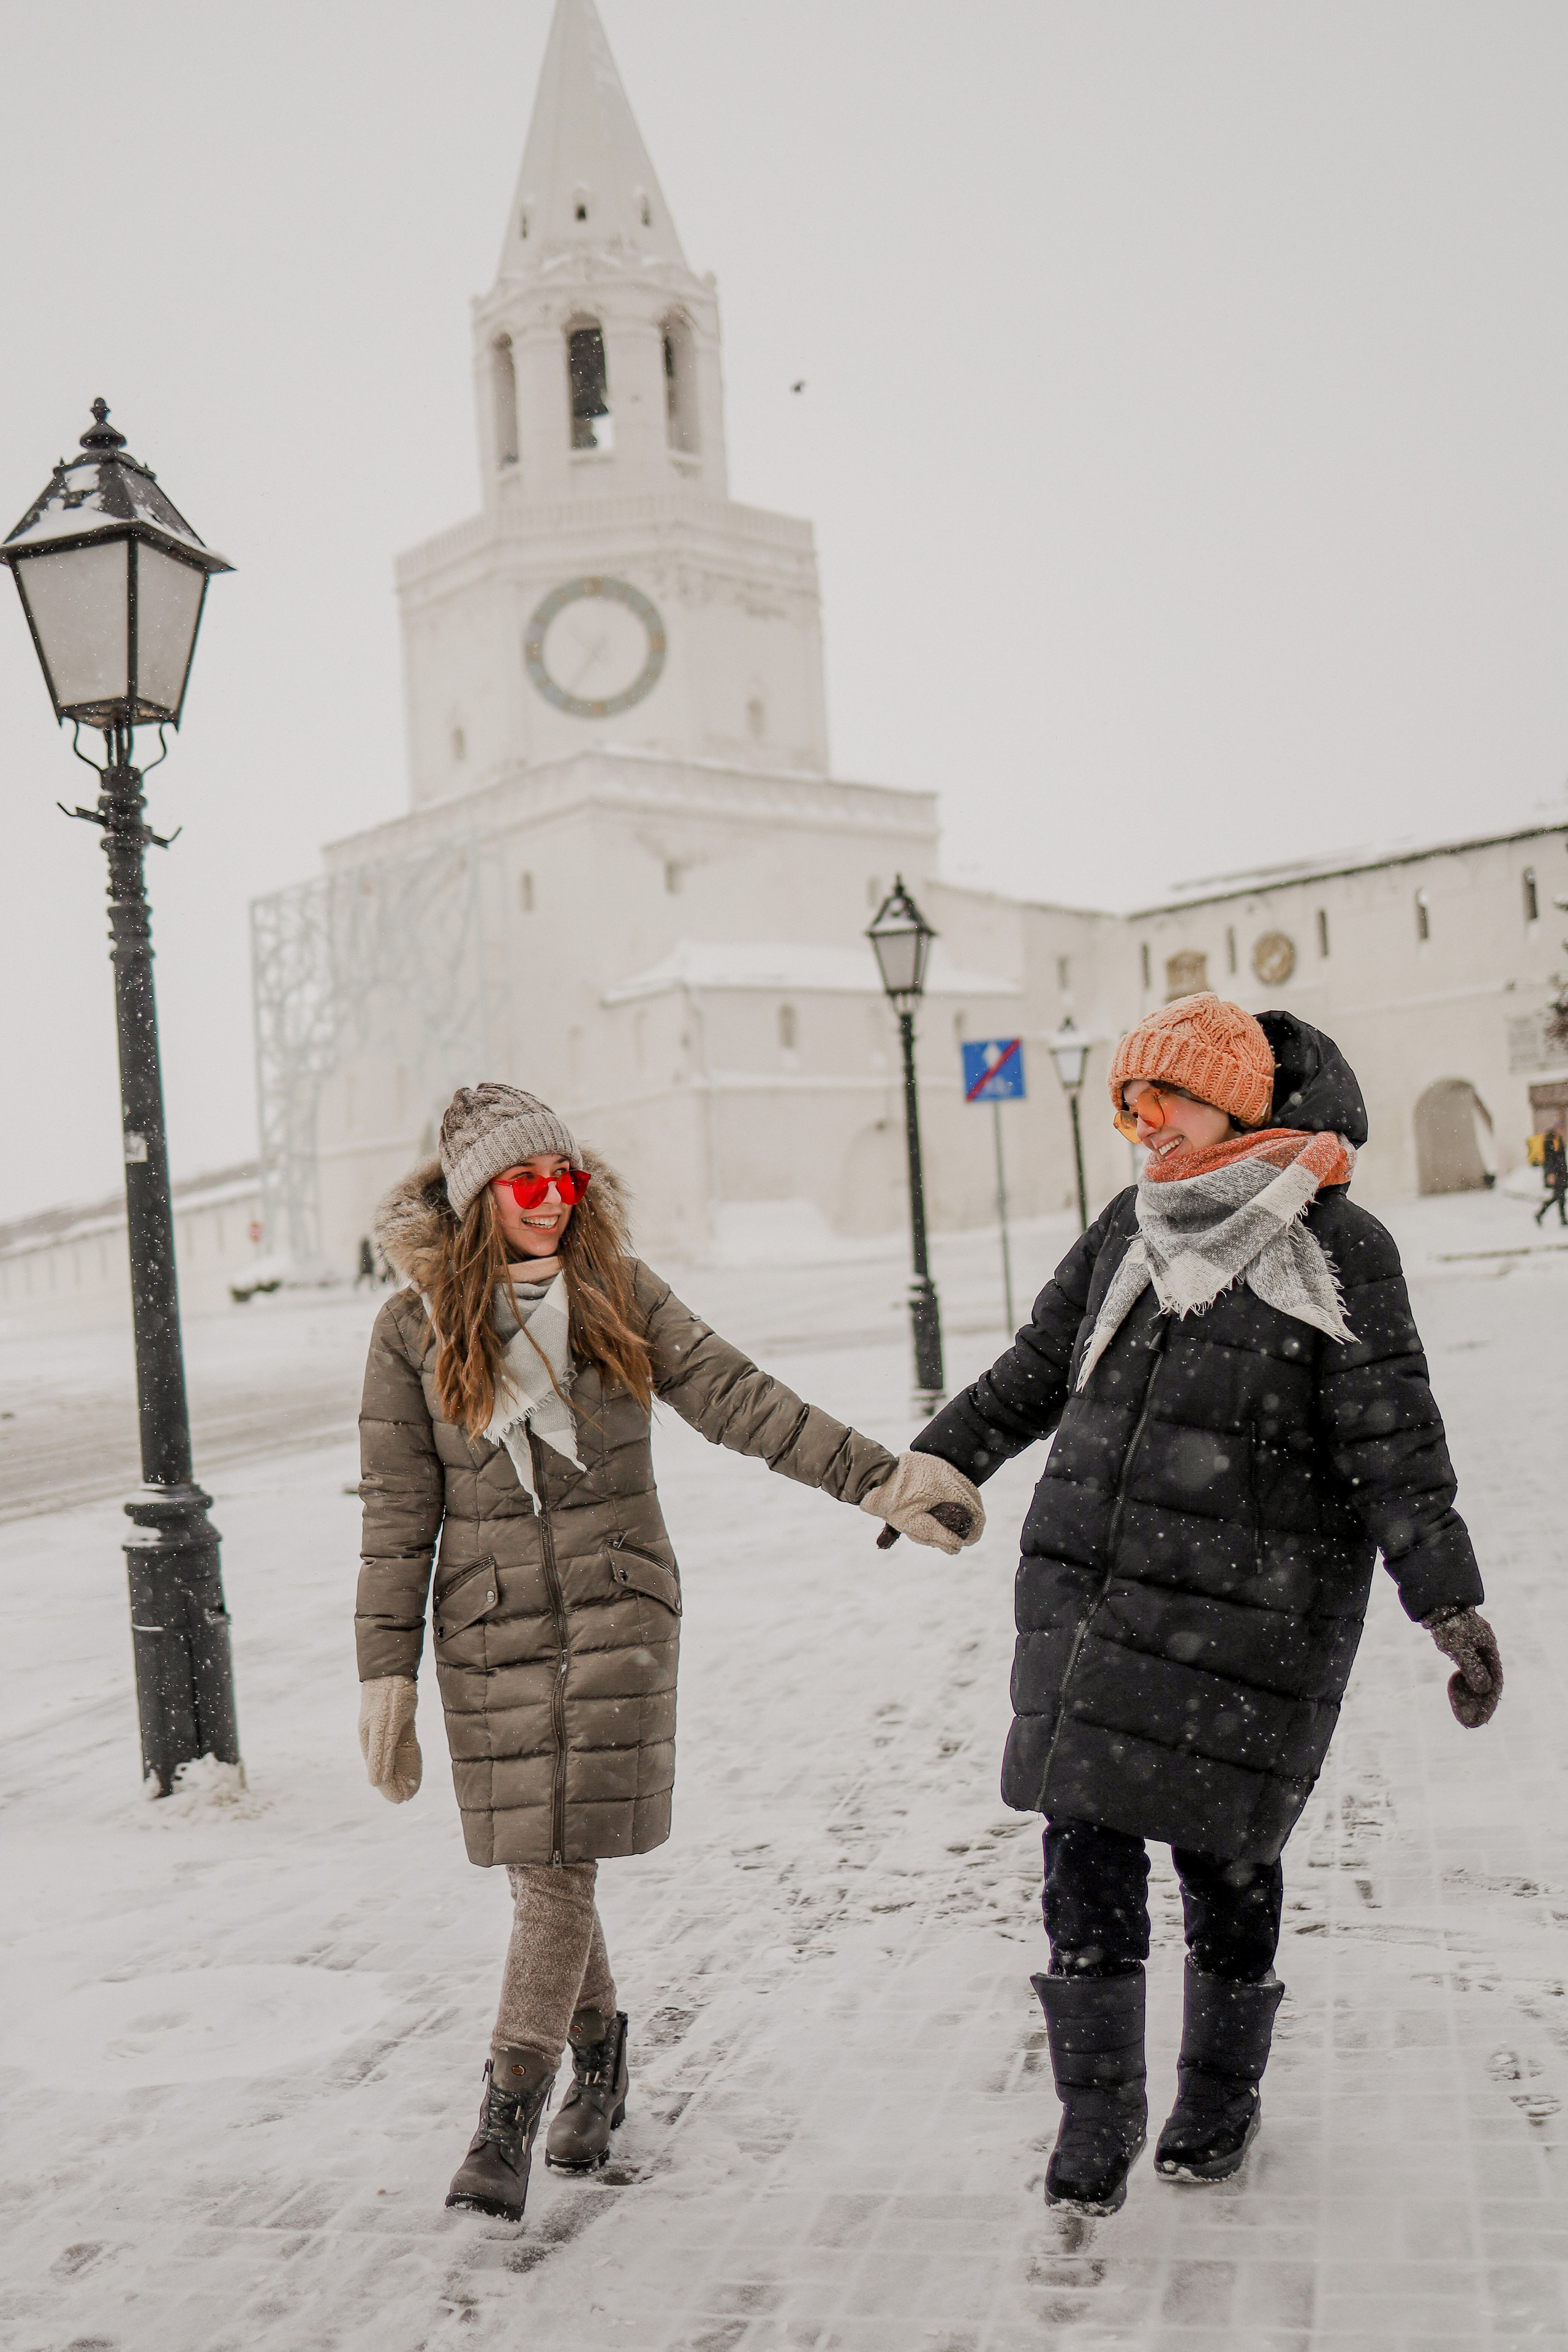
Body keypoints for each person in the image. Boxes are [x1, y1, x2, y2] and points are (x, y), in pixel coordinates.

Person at [908, 995, 1503, 2214]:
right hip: (1092, 1594)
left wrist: (1446, 1602)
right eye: (1126, 1103)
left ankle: (1218, 2098)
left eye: (1162, 1098)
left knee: (1223, 1858)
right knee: (1081, 1849)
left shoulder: (1336, 1244)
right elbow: (1035, 1369)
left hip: (1249, 1611)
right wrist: (939, 1461)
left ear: (1231, 1100)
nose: (1141, 1124)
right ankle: (1098, 2113)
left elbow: (1392, 1441)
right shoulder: (1126, 1227)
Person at [354, 1082, 983, 2223]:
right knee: (543, 1859)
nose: (551, 1200)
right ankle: (599, 2058)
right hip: (488, 1627)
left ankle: (503, 2122)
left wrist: (882, 1478)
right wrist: (383, 1672)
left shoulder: (618, 1292)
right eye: (523, 1183)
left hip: (616, 1609)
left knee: (559, 1868)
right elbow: (399, 1516)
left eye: (563, 1178)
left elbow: (743, 1400)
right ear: (476, 1199)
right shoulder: (412, 1332)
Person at [1535, 1123, 1566, 1226]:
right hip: (1555, 1173)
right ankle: (1542, 1214)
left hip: (1561, 1173)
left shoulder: (1558, 1140)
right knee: (1559, 1196)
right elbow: (1549, 1159)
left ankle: (1541, 1214)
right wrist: (1551, 1174)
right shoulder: (1550, 1141)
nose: (1563, 1131)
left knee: (1559, 1196)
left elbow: (1561, 1159)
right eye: (1561, 1129)